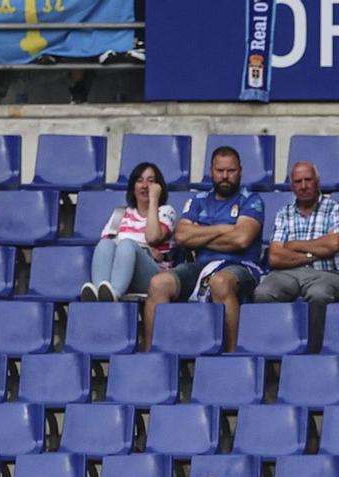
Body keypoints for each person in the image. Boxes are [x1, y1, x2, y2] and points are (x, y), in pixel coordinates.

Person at [142, 145, 264, 354]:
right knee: (158, 283)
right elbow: (181, 236)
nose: (225, 176)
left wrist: (200, 235)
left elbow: (242, 239)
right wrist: (224, 229)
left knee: (220, 282)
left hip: (240, 266)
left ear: (240, 171)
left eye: (231, 171)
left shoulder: (251, 200)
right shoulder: (198, 200)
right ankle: (151, 354)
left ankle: (231, 355)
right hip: (200, 266)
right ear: (211, 171)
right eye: (219, 171)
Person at [255, 160, 339, 321]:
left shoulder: (335, 207)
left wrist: (293, 245)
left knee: (318, 294)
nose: (303, 186)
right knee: (263, 293)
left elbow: (334, 244)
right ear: (292, 187)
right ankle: (277, 345)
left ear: (317, 182)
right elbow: (275, 257)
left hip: (328, 274)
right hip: (288, 274)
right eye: (298, 182)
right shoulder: (284, 213)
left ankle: (315, 346)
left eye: (308, 180)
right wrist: (314, 254)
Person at [83, 161, 174, 303]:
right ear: (133, 187)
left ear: (158, 187)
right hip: (120, 273)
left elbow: (153, 237)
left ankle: (115, 293)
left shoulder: (165, 212)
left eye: (150, 181)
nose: (144, 186)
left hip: (154, 278)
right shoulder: (120, 214)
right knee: (105, 244)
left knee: (126, 245)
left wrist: (154, 199)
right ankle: (100, 293)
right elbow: (108, 246)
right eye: (139, 181)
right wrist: (144, 248)